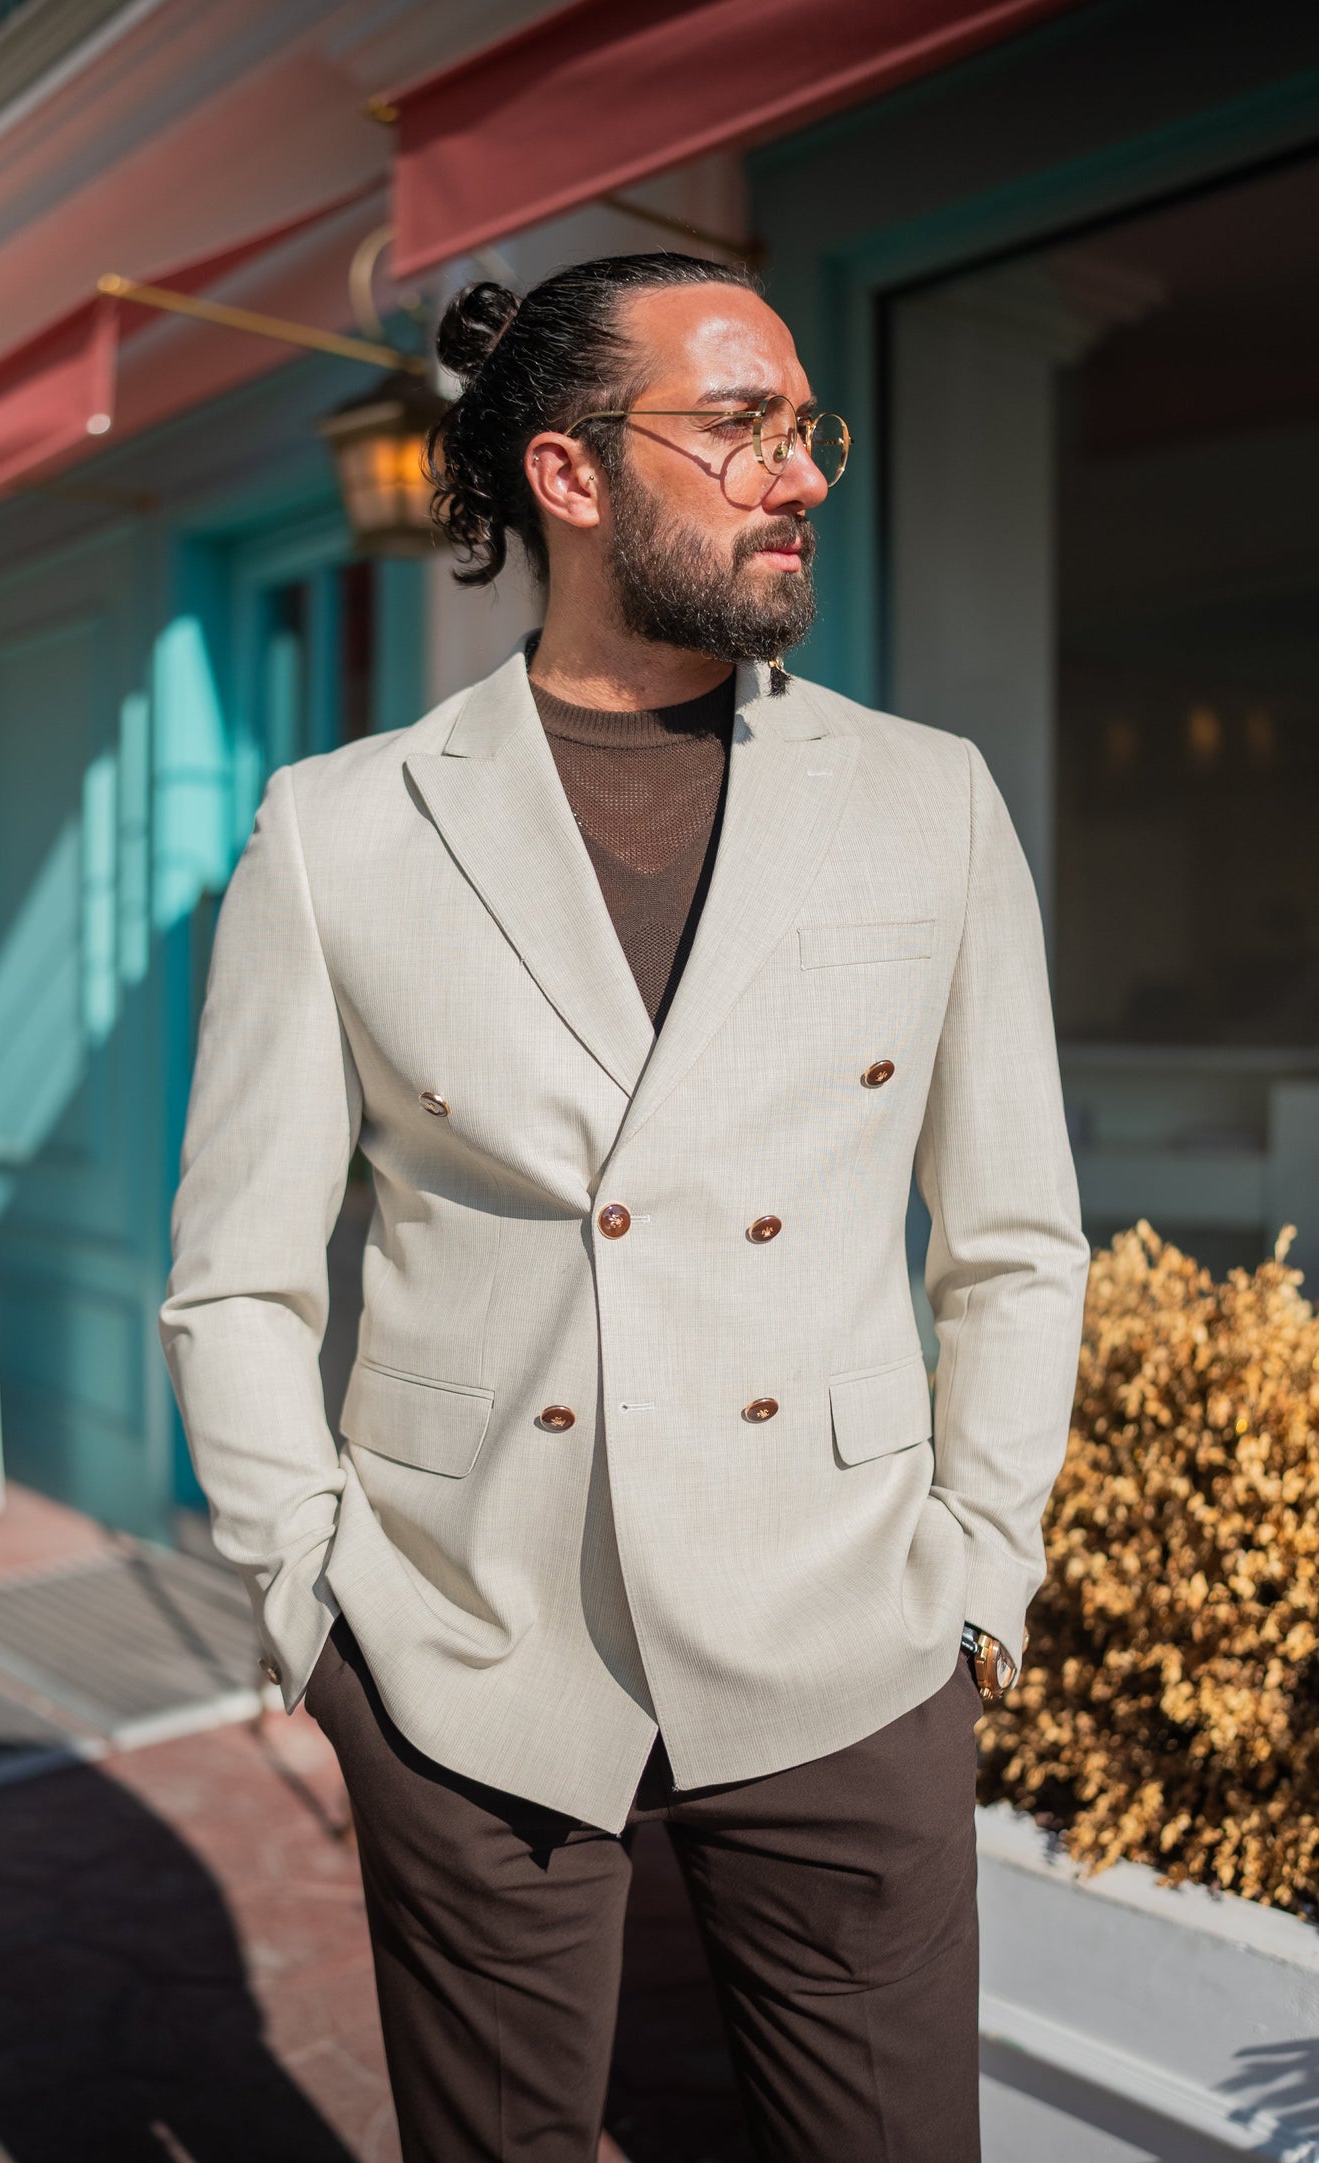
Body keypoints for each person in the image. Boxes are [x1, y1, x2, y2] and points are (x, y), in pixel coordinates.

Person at [160, 251, 1088, 2163]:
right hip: (466, 1645)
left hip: (849, 1637)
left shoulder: (931, 802)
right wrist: (311, 1606)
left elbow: (1011, 1241)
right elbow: (237, 1282)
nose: (803, 473)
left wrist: (978, 1582)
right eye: (737, 429)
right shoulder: (341, 830)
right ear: (572, 479)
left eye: (802, 428)